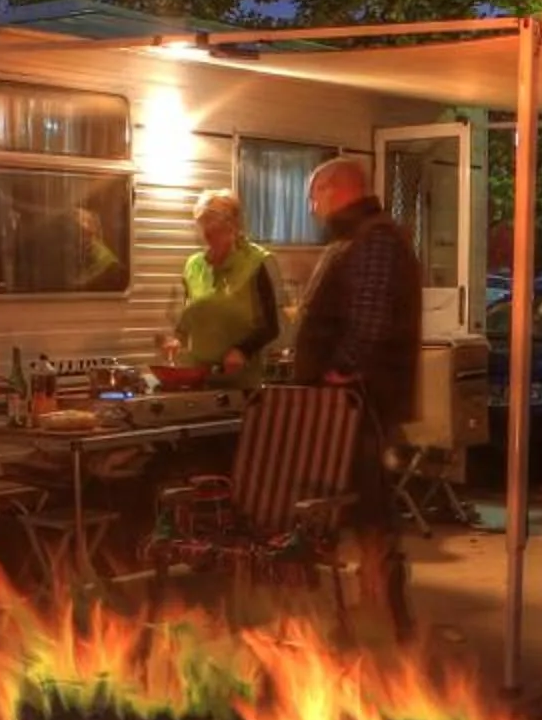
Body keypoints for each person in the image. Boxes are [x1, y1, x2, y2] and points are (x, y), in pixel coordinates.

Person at [287, 156, 422, 636]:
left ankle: (385, 610)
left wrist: (342, 371)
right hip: (347, 404)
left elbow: (370, 317)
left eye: (315, 194)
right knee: (356, 506)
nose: (311, 205)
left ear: (336, 190)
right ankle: (363, 608)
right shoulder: (355, 239)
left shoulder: (375, 240)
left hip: (361, 403)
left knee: (369, 508)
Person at [161, 190, 279, 387]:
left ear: (233, 224)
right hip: (198, 378)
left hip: (241, 382)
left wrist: (242, 350)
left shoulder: (258, 262)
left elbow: (271, 326)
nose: (206, 231)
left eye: (213, 223)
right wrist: (175, 339)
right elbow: (187, 318)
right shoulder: (194, 265)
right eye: (201, 223)